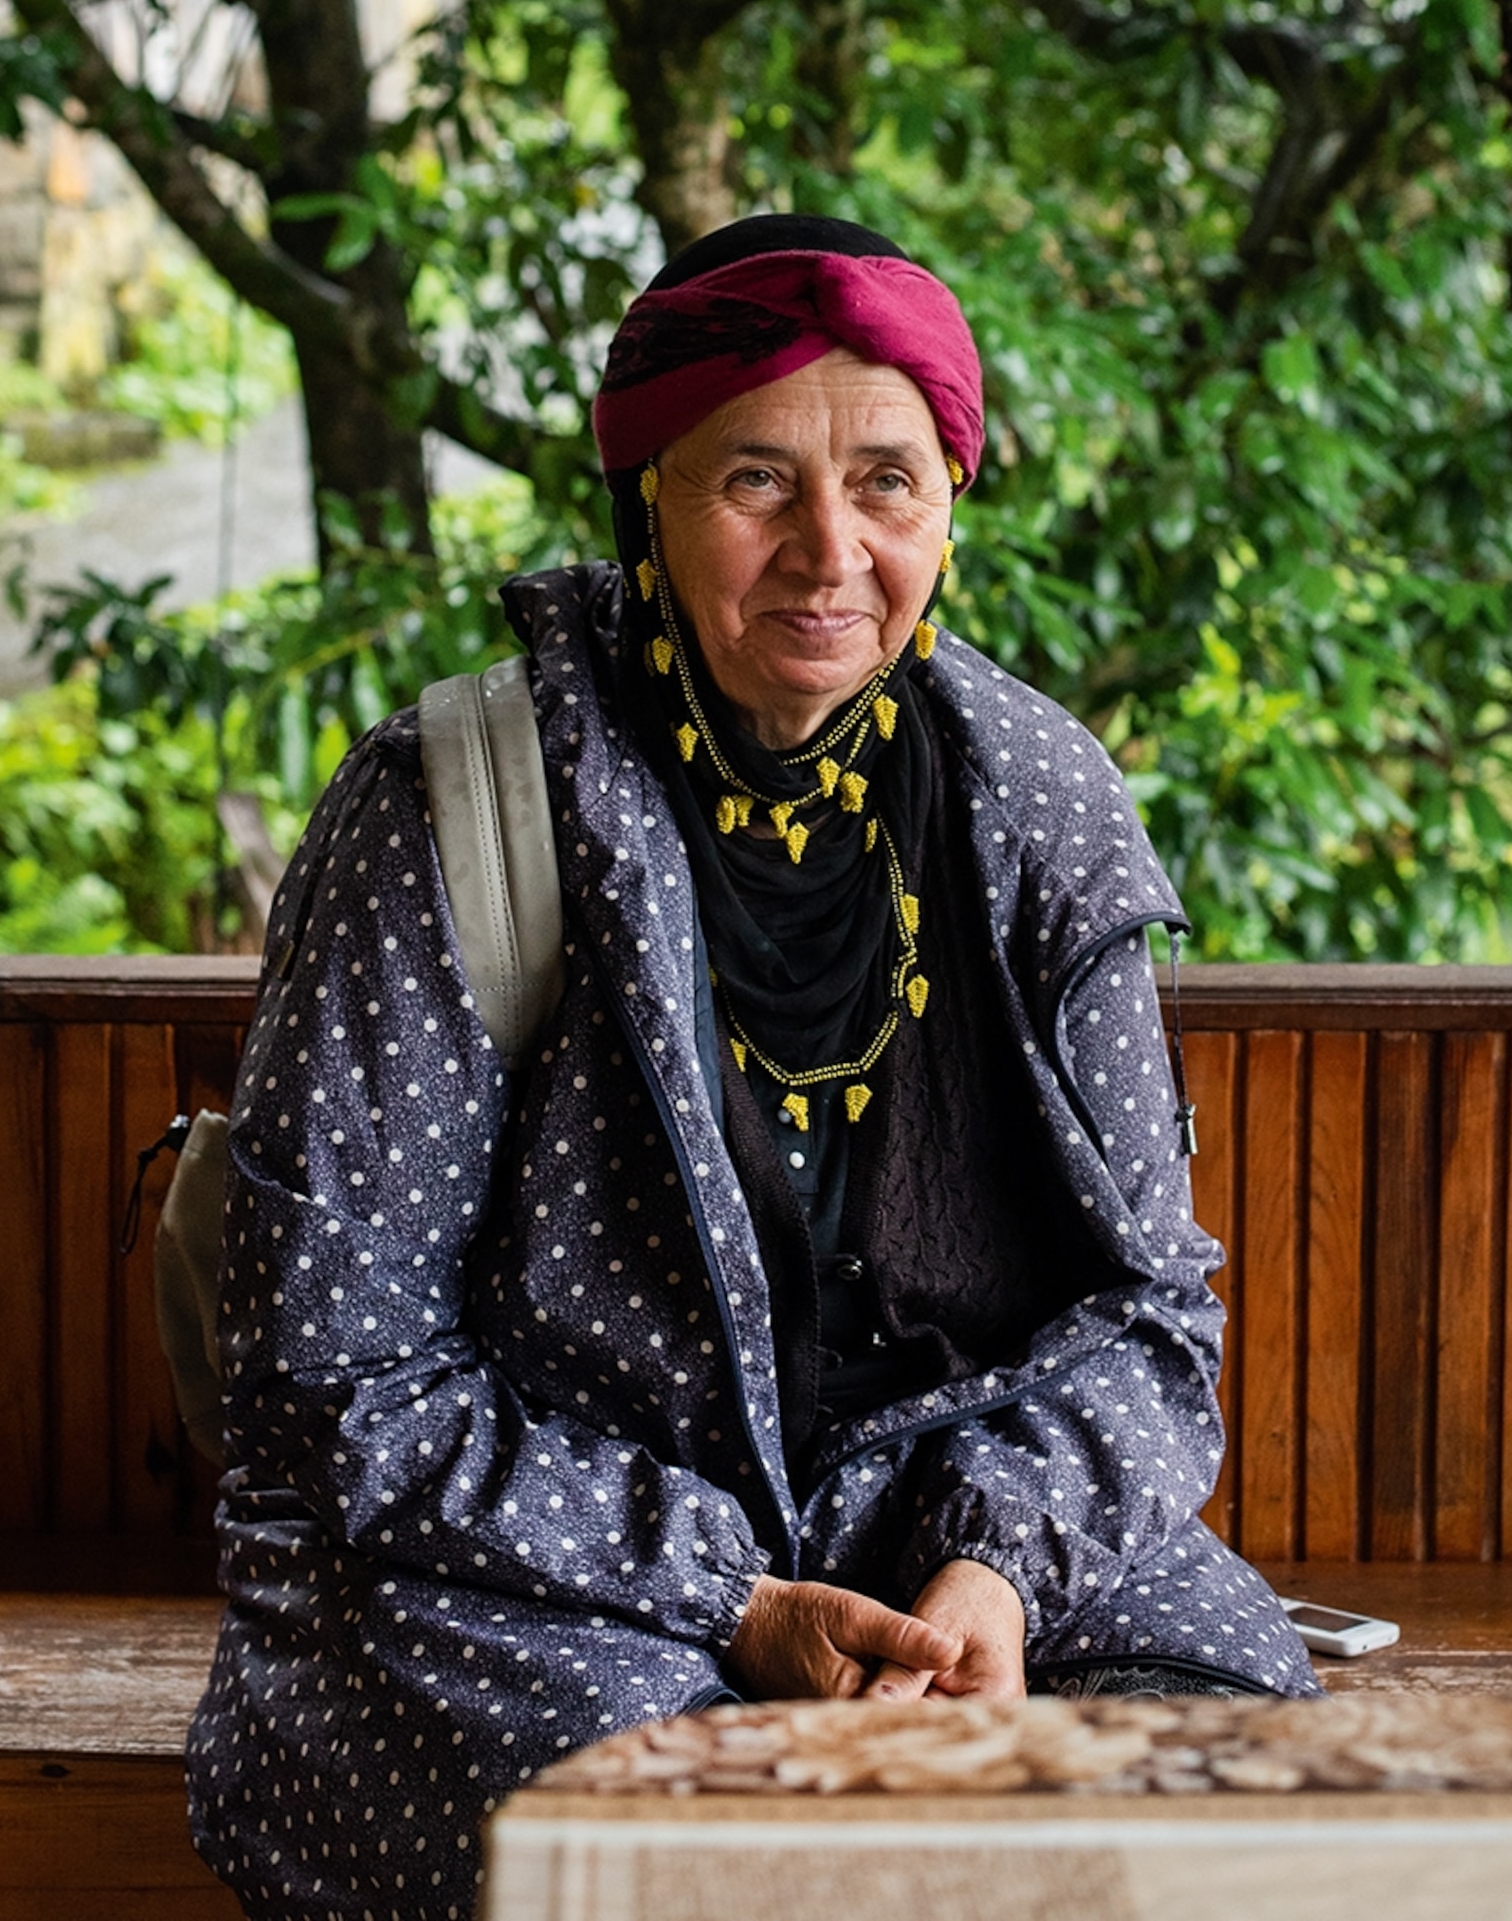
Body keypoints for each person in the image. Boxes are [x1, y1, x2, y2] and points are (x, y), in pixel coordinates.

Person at [187, 215, 1314, 1920]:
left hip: (949, 1538)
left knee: (1231, 1789)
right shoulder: (458, 806)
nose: (831, 551)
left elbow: (1155, 1316)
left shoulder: (1038, 806)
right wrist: (732, 1595)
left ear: (950, 503)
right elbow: (336, 1376)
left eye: (889, 482)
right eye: (757, 484)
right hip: (542, 1570)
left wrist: (991, 1573)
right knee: (676, 1846)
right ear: (649, 496)